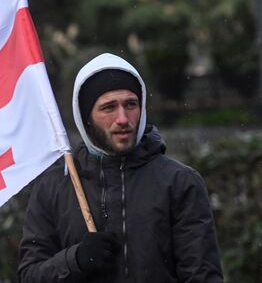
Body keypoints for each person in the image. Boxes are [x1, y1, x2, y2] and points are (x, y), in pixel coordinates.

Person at [18, 53, 223, 282]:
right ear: (86, 117)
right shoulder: (53, 187)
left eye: (130, 104)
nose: (123, 118)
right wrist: (75, 260)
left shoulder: (179, 183)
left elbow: (202, 275)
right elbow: (29, 275)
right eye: (108, 108)